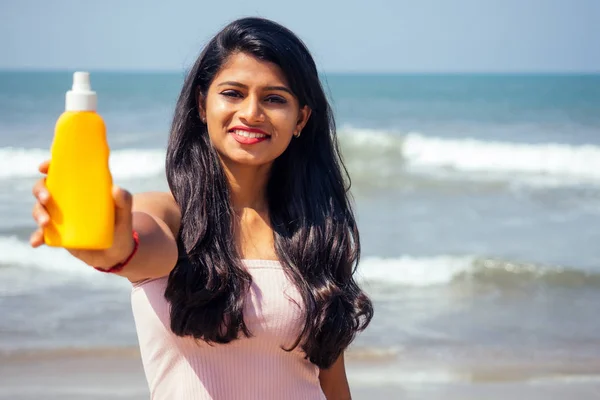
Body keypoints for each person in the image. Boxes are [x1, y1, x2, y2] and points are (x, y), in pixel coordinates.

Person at [30, 17, 373, 400]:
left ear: (301, 119)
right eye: (233, 93)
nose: (252, 113)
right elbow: (135, 244)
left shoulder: (316, 233)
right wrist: (107, 242)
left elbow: (333, 384)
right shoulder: (171, 214)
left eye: (274, 98)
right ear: (201, 104)